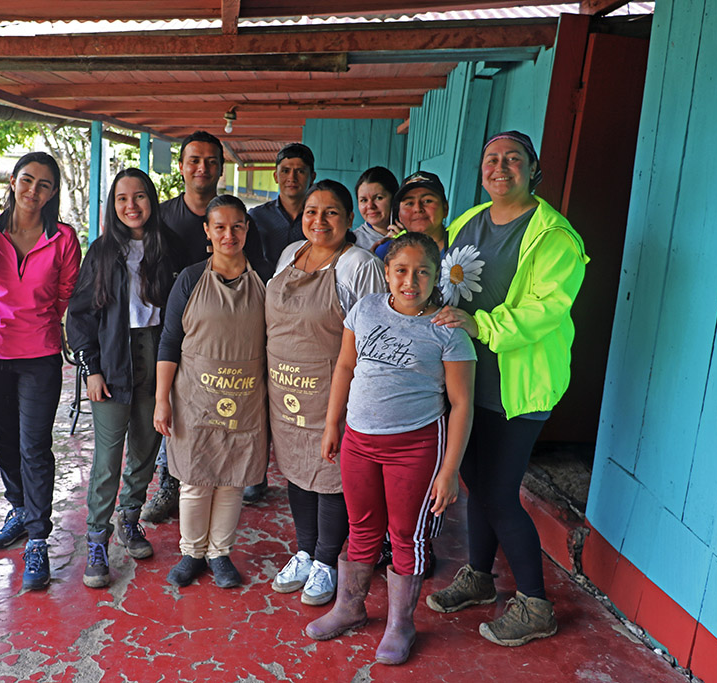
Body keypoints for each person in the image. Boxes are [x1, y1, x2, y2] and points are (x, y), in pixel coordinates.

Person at [428, 131, 588, 647]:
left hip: (518, 387)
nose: (501, 168)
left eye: (512, 159)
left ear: (532, 169)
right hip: (469, 379)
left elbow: (545, 309)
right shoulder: (468, 222)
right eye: (491, 160)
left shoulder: (554, 237)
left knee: (498, 491)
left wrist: (482, 327)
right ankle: (478, 576)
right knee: (478, 484)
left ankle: (537, 604)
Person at [306, 231, 476, 665]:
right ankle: (350, 607)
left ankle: (401, 623)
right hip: (359, 441)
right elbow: (345, 366)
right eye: (401, 270)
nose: (410, 281)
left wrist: (449, 469)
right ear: (386, 272)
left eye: (423, 272)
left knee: (407, 535)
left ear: (437, 276)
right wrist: (332, 424)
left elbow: (461, 405)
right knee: (361, 526)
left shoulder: (448, 329)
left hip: (415, 446)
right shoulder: (365, 310)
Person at [142, 131, 272, 524]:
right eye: (194, 160)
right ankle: (169, 483)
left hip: (232, 337)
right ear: (181, 166)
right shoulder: (162, 217)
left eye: (211, 161)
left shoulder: (248, 243)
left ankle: (222, 532)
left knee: (228, 433)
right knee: (182, 427)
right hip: (174, 325)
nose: (202, 168)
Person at [266, 180, 385, 606]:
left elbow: (372, 335)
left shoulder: (358, 264)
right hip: (285, 389)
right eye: (312, 211)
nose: (319, 220)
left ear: (349, 219)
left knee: (330, 474)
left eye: (331, 212)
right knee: (297, 468)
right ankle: (304, 551)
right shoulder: (289, 254)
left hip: (333, 388)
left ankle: (326, 561)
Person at [0, 152, 81, 591]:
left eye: (44, 185)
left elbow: (65, 292)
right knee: (0, 439)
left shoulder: (63, 238)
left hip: (38, 353)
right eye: (27, 180)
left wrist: (40, 322)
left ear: (54, 192)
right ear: (13, 181)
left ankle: (37, 537)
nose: (33, 191)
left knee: (34, 445)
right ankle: (18, 508)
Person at [66, 169, 178, 589]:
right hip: (113, 358)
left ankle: (130, 519)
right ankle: (98, 539)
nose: (131, 206)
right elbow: (79, 316)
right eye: (121, 199)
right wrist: (90, 368)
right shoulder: (101, 252)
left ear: (151, 200)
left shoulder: (167, 249)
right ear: (113, 206)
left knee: (147, 447)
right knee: (108, 457)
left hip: (156, 355)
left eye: (140, 197)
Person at [153, 195, 268, 589]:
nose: (229, 234)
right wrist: (161, 399)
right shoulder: (189, 279)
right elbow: (169, 342)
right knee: (196, 479)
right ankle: (192, 552)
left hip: (248, 396)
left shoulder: (265, 278)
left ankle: (220, 552)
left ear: (247, 229)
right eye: (219, 226)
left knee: (233, 478)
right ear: (207, 231)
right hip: (194, 397)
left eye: (237, 226)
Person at [249, 142, 316, 267]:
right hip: (264, 284)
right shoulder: (256, 216)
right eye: (285, 171)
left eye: (300, 171)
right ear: (276, 176)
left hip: (309, 284)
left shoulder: (320, 219)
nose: (292, 177)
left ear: (312, 177)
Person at [373, 171, 450, 259]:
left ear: (445, 208)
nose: (418, 208)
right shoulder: (387, 252)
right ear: (399, 215)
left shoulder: (461, 245)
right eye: (409, 203)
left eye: (427, 201)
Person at [352, 167, 400, 251]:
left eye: (378, 198)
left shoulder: (411, 234)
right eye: (364, 200)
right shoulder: (353, 242)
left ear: (394, 199)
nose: (370, 206)